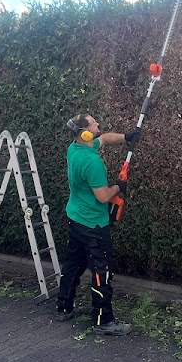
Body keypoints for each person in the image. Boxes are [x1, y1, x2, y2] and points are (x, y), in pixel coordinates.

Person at [55, 113, 140, 335]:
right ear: (85, 133)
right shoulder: (92, 162)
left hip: (75, 218)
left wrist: (126, 136)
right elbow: (103, 197)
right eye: (94, 123)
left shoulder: (75, 148)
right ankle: (104, 321)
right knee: (103, 271)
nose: (98, 124)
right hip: (93, 225)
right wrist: (119, 186)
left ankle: (64, 307)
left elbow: (104, 139)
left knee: (73, 264)